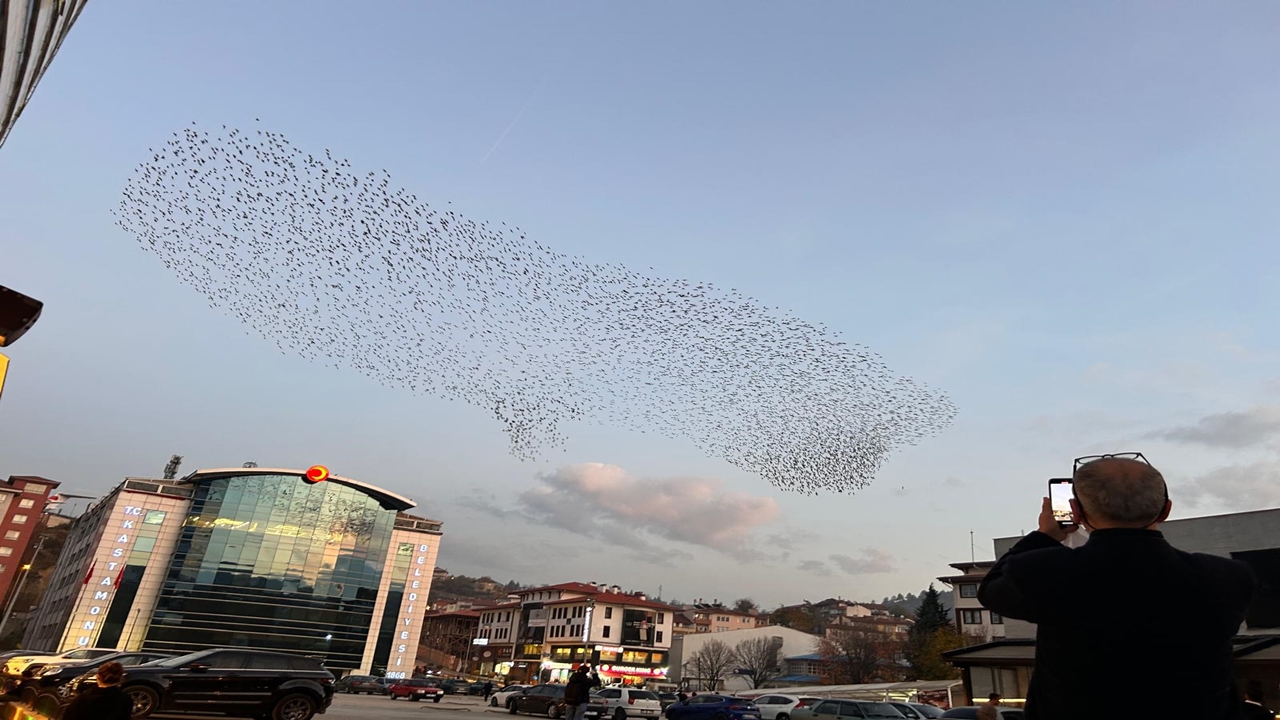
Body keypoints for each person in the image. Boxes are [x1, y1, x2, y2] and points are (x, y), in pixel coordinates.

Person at [979, 456, 1255, 720]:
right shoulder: (1227, 577)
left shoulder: (1044, 571)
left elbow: (991, 590)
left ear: (1076, 511)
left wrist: (1044, 535)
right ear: (1166, 509)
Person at [62, 661, 132, 720]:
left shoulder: (84, 698)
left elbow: (69, 716)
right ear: (119, 678)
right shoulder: (125, 699)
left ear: (98, 676)